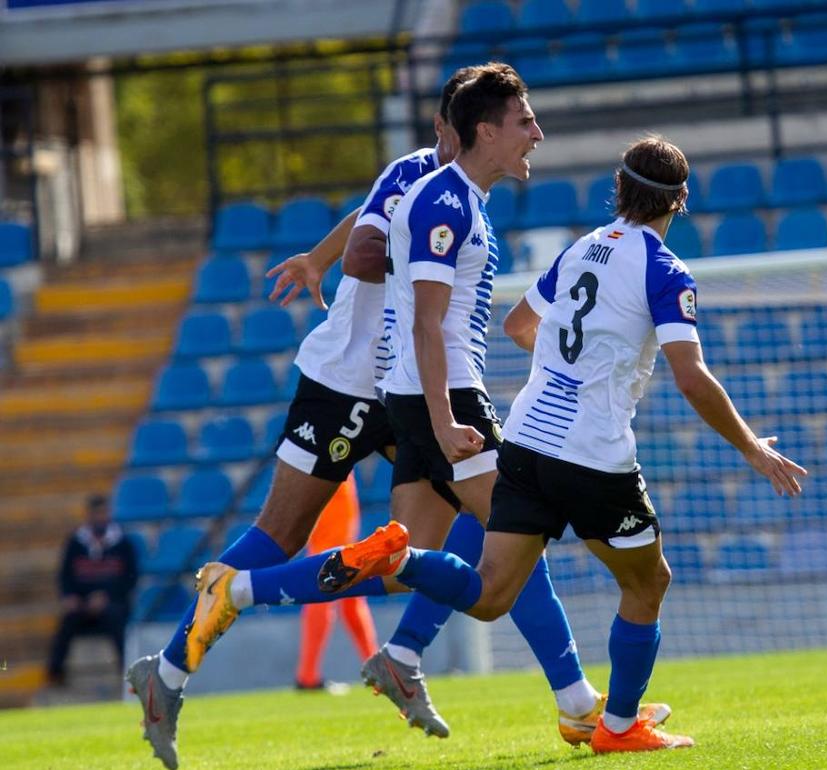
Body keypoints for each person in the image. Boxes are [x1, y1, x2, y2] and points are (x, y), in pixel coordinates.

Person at [126, 65, 609, 770]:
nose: (439, 140)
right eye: (442, 128)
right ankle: (171, 670)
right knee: (285, 535)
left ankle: (432, 661)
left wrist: (316, 259)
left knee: (466, 534)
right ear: (457, 127)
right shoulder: (428, 182)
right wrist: (361, 263)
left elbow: (365, 224)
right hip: (352, 384)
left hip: (403, 385)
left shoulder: (451, 191)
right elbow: (368, 241)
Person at [333, 135, 806, 752]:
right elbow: (692, 375)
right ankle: (617, 727)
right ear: (680, 201)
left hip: (527, 442)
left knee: (488, 594)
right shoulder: (664, 270)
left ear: (619, 187)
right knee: (647, 583)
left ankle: (401, 559)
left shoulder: (581, 249)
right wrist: (751, 447)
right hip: (594, 454)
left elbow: (518, 324)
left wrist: (565, 369)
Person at [294, 472, 377, 691]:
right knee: (330, 575)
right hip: (330, 468)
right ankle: (308, 676)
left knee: (351, 587)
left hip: (326, 468)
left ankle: (374, 665)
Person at [48, 494, 138, 688]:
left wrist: (107, 596)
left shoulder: (123, 543)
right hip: (82, 605)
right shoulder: (75, 542)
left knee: (116, 619)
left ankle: (128, 672)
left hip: (113, 604)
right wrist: (69, 597)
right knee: (67, 620)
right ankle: (55, 673)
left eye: (104, 513)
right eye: (97, 513)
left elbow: (130, 578)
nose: (101, 518)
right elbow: (65, 576)